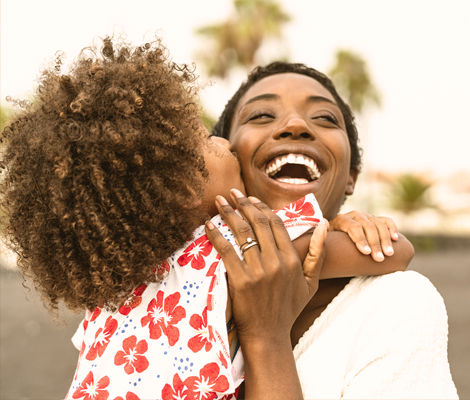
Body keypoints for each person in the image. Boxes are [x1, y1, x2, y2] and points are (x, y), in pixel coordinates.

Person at [0, 38, 414, 399]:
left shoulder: (111, 304)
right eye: (203, 140)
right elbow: (390, 251)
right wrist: (343, 225)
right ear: (181, 188)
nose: (219, 140)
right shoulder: (229, 248)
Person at [212, 61, 459, 398]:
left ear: (351, 177)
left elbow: (398, 249)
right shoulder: (160, 274)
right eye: (261, 116)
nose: (295, 125)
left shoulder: (393, 303)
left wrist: (266, 337)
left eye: (325, 118)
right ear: (226, 155)